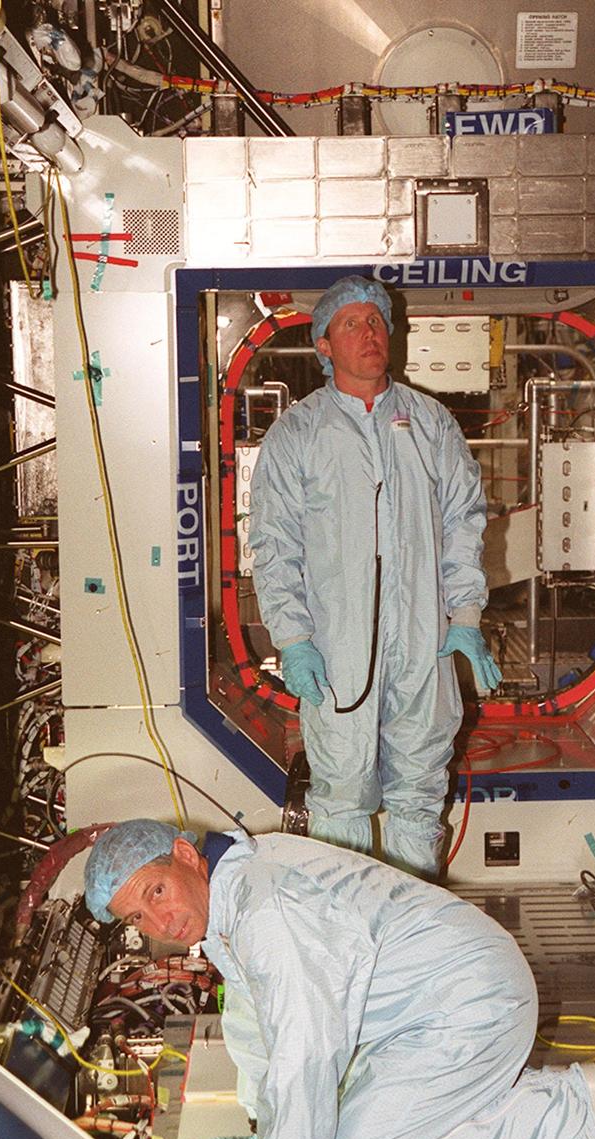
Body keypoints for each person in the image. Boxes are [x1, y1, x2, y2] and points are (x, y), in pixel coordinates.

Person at [84, 820, 595, 1139]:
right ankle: (517, 1122)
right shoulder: (233, 888)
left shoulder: (267, 907)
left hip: (469, 1012)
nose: (160, 924)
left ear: (184, 855)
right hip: (421, 1019)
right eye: (136, 917)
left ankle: (557, 1115)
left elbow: (305, 1054)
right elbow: (261, 1032)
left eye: (156, 892)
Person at [249, 275, 502, 881]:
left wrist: (464, 619)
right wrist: (293, 637)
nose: (369, 332)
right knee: (340, 797)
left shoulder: (430, 423)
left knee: (419, 793)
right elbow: (272, 542)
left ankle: (413, 939)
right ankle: (347, 939)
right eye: (351, 324)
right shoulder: (298, 434)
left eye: (376, 321)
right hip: (336, 650)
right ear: (325, 347)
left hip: (422, 642)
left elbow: (464, 522)